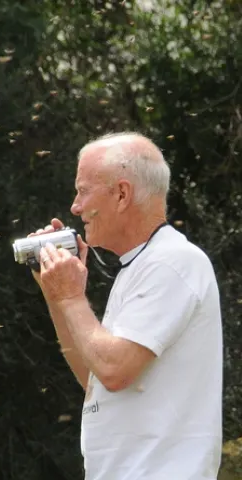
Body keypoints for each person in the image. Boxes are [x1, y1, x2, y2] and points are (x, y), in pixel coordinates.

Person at [29, 132, 223, 480]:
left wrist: (72, 296)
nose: (75, 207)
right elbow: (94, 377)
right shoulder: (144, 265)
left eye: (83, 190)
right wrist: (55, 295)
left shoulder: (171, 263)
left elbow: (114, 371)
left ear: (121, 194)